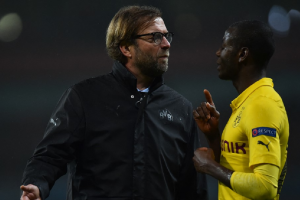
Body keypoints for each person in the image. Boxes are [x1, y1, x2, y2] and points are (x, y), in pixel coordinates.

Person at [20, 5, 208, 200]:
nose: (166, 44)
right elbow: (50, 155)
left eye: (167, 36)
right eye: (154, 37)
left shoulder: (181, 109)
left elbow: (192, 187)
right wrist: (36, 185)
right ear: (126, 48)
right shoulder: (84, 98)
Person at [192, 20, 289, 200]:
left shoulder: (262, 104)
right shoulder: (249, 102)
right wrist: (213, 136)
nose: (218, 53)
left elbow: (265, 187)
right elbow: (237, 169)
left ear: (242, 54)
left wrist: (209, 166)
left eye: (224, 47)